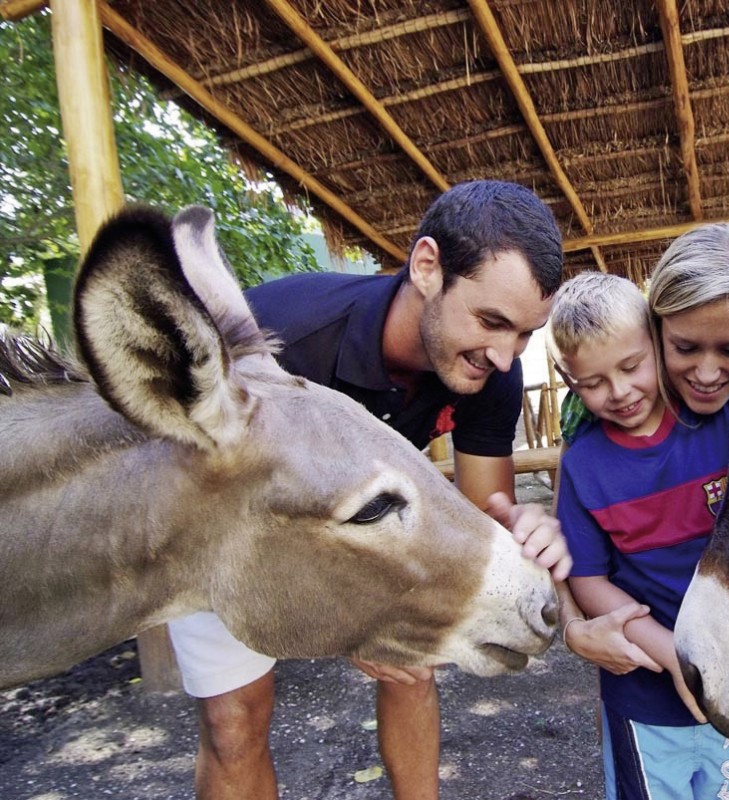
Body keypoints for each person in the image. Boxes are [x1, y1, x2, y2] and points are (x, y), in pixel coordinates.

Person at [167, 180, 572, 800]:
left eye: (523, 334)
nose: (503, 354)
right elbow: (210, 498)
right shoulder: (286, 338)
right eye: (491, 321)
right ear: (428, 266)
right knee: (234, 720)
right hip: (221, 520)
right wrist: (344, 614)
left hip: (361, 528)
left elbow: (482, 510)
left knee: (413, 667)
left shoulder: (494, 371)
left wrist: (523, 530)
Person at [547, 222, 729, 800]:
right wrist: (670, 655)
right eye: (686, 348)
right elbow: (585, 575)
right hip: (643, 698)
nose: (706, 373)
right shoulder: (585, 460)